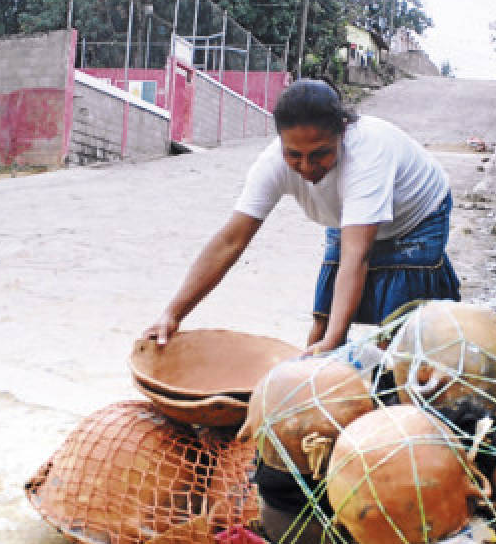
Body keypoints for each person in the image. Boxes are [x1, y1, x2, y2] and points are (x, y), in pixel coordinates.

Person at [144, 78, 460, 353]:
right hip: (349, 219)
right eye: (294, 155)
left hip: (417, 216)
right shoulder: (272, 163)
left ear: (342, 133)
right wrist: (172, 314)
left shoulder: (367, 155)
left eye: (320, 153)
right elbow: (230, 241)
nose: (307, 168)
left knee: (396, 338)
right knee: (320, 331)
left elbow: (356, 256)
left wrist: (335, 343)